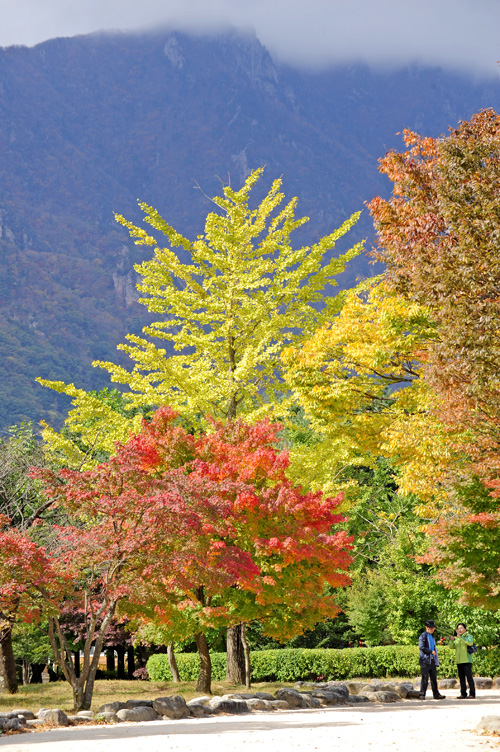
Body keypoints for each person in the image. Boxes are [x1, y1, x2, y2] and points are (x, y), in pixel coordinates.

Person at [418, 619, 446, 700]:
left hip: (432, 660)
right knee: (425, 678)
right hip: (425, 660)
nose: (432, 629)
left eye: (433, 628)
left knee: (434, 678)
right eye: (430, 628)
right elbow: (421, 647)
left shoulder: (432, 637)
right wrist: (431, 651)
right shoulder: (423, 636)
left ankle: (436, 694)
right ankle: (422, 694)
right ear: (426, 627)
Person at [451, 622, 476, 699]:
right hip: (459, 661)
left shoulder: (469, 636)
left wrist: (460, 637)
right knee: (461, 678)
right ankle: (463, 694)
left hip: (467, 660)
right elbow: (452, 646)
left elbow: (470, 642)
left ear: (465, 629)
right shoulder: (457, 638)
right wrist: (452, 640)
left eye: (461, 628)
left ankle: (472, 694)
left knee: (469, 678)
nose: (460, 630)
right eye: (458, 629)